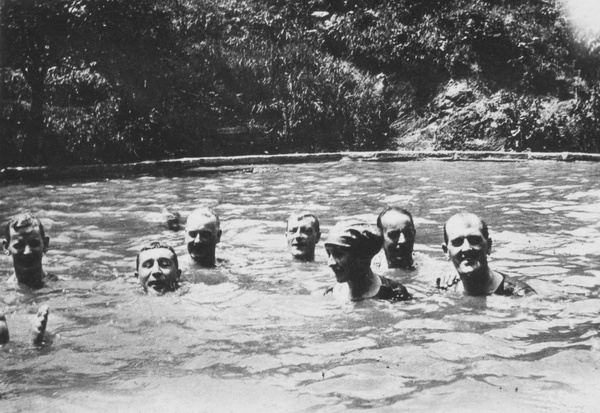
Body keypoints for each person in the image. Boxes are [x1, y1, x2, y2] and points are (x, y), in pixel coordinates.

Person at [440, 212, 535, 296]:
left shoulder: (521, 295)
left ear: (489, 246)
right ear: (446, 251)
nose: (466, 248)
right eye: (457, 242)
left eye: (474, 240)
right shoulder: (445, 285)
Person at [324, 220, 412, 302]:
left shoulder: (394, 293)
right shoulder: (331, 293)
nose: (330, 263)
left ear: (362, 257)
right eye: (328, 254)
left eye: (339, 254)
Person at [1, 212, 52, 345]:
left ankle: (37, 342)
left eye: (34, 244)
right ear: (6, 248)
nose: (27, 251)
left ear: (45, 244)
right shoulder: (2, 292)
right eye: (19, 245)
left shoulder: (63, 287)